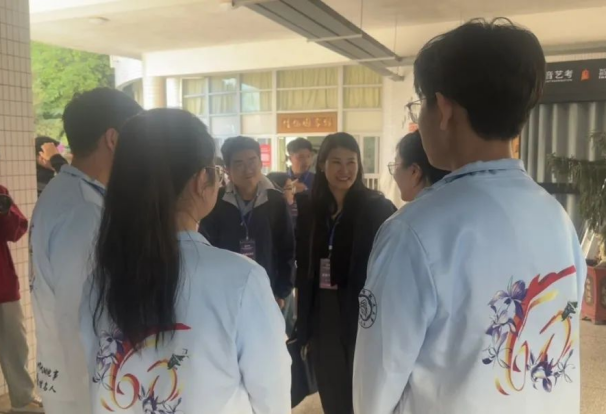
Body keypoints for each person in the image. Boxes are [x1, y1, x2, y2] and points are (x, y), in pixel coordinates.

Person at [354, 19, 586, 414]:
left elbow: (376, 384)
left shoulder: (414, 230)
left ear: (443, 109)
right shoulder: (556, 217)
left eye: (420, 104)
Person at [79, 109, 291, 414]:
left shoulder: (99, 280)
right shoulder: (241, 280)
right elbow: (271, 395)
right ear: (200, 180)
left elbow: (97, 377)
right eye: (216, 170)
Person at [30, 88, 142, 414]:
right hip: (84, 389)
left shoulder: (68, 192)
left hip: (73, 381)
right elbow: (79, 315)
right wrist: (99, 398)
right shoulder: (84, 211)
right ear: (113, 139)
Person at [296, 132, 395, 414]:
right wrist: (303, 324)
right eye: (336, 162)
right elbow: (304, 266)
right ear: (322, 165)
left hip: (361, 311)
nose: (345, 170)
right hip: (323, 312)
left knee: (363, 389)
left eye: (351, 162)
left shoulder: (376, 208)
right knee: (331, 386)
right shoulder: (310, 209)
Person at [200, 136, 295, 310]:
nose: (248, 169)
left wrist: (281, 292)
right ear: (228, 170)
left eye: (252, 161)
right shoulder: (217, 201)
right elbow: (208, 247)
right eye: (239, 164)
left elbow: (286, 248)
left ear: (261, 163)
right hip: (226, 293)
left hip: (266, 291)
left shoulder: (275, 201)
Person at [0, 187, 43, 413]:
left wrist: (4, 211)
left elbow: (16, 231)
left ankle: (23, 400)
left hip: (3, 286)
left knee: (15, 346)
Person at [389, 130, 449, 202]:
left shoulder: (420, 208)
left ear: (414, 172)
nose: (394, 176)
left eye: (395, 165)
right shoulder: (452, 202)